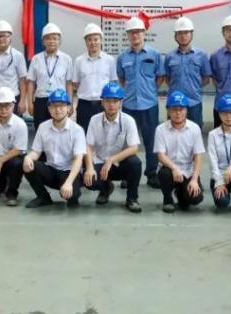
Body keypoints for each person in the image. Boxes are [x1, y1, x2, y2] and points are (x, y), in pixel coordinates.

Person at [116, 17, 166, 188]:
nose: (135, 35)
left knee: (151, 140)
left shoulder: (154, 55)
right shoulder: (122, 57)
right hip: (129, 105)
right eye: (131, 32)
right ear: (128, 35)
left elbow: (160, 77)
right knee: (127, 141)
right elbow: (122, 79)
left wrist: (149, 91)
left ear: (144, 33)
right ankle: (127, 174)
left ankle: (151, 174)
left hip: (149, 104)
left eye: (138, 32)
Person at [82, 82, 143, 213]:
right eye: (108, 101)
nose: (111, 105)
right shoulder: (94, 120)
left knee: (135, 163)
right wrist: (90, 168)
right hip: (100, 162)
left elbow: (134, 148)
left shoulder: (128, 120)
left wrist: (111, 160)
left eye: (115, 101)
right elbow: (88, 145)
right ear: (102, 102)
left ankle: (132, 199)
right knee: (87, 178)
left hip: (120, 164)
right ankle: (105, 189)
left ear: (120, 103)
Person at [22, 89, 86, 208]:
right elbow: (36, 152)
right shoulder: (43, 127)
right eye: (54, 106)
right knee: (27, 164)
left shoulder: (77, 130)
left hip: (69, 172)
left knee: (72, 197)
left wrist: (69, 183)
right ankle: (43, 197)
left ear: (68, 108)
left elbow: (78, 159)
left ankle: (72, 192)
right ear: (49, 108)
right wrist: (28, 157)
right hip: (51, 170)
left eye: (61, 106)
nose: (57, 109)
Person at [153, 91, 205, 213]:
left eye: (181, 109)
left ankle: (181, 194)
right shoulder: (161, 129)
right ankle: (168, 199)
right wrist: (174, 168)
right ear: (168, 111)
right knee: (164, 174)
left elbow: (198, 155)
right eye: (174, 109)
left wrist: (194, 179)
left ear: (186, 110)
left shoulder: (194, 128)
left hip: (188, 170)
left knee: (195, 199)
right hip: (169, 169)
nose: (178, 113)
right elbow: (160, 155)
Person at [163, 16, 212, 129]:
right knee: (172, 133)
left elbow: (206, 79)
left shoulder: (201, 55)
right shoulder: (169, 56)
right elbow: (167, 79)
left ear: (191, 34)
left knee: (195, 133)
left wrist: (194, 87)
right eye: (180, 33)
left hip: (194, 102)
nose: (183, 36)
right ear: (175, 36)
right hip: (174, 103)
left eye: (186, 32)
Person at [66, 23, 116, 130]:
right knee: (83, 133)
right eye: (89, 40)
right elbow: (74, 84)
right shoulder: (79, 61)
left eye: (96, 39)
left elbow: (113, 83)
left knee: (104, 133)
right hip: (84, 104)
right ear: (85, 42)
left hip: (103, 104)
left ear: (101, 40)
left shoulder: (109, 60)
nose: (93, 42)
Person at [25, 22, 72, 130]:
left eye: (55, 38)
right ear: (43, 41)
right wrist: (30, 103)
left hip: (60, 101)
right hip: (41, 101)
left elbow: (68, 83)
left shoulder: (66, 59)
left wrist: (69, 103)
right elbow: (31, 82)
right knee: (41, 132)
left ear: (60, 41)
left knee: (60, 131)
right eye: (48, 38)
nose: (51, 41)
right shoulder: (36, 59)